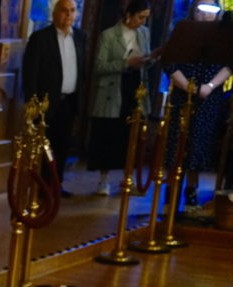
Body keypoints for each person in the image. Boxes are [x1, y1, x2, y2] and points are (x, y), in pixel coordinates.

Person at [164, 0, 232, 211]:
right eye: (201, 9)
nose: (205, 14)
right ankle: (171, 190)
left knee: (200, 143)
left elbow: (230, 64)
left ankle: (192, 189)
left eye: (211, 10)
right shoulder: (182, 29)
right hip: (183, 94)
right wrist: (189, 87)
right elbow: (169, 62)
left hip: (209, 96)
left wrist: (209, 86)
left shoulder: (224, 34)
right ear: (194, 9)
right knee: (177, 142)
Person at [88, 0, 155, 196]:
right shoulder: (108, 35)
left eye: (145, 18)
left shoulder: (144, 33)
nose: (142, 22)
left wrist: (149, 60)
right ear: (129, 14)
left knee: (131, 136)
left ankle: (128, 177)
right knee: (108, 135)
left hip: (135, 89)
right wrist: (126, 63)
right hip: (113, 89)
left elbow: (145, 60)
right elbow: (99, 66)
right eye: (140, 17)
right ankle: (104, 179)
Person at [22, 0, 87, 196]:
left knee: (63, 145)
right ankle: (41, 187)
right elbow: (30, 73)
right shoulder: (40, 38)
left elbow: (82, 69)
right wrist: (32, 104)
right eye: (64, 11)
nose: (69, 15)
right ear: (55, 13)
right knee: (44, 147)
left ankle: (57, 185)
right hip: (45, 103)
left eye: (73, 11)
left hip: (69, 101)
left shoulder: (80, 37)